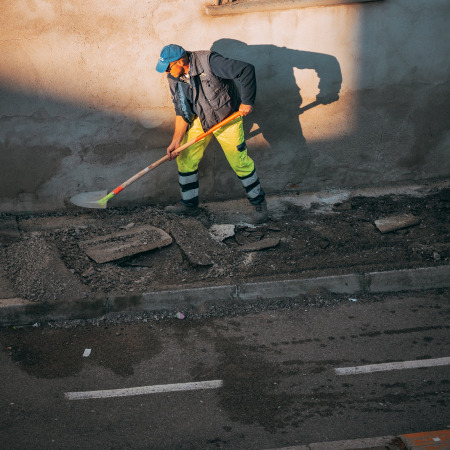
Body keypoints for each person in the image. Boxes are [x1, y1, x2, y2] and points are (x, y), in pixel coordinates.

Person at [156, 44, 267, 223]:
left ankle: (259, 204)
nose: (166, 72)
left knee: (239, 161)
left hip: (227, 118)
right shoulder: (174, 78)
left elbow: (246, 70)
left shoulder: (209, 62)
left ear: (179, 61)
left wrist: (247, 101)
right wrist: (176, 141)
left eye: (168, 66)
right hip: (201, 120)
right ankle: (189, 205)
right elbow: (181, 111)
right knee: (184, 158)